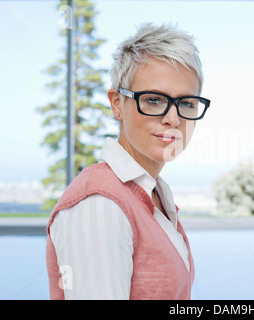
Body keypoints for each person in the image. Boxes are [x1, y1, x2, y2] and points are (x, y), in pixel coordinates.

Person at [46, 23, 211, 299]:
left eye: (186, 103)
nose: (174, 118)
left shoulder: (153, 192)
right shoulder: (100, 205)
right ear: (116, 104)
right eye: (155, 100)